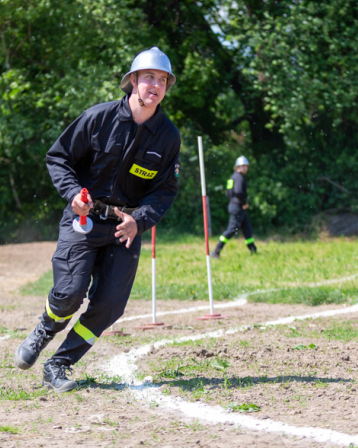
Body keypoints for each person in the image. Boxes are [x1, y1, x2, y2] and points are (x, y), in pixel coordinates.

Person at [14, 47, 181, 392]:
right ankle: (45, 329)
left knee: (109, 307)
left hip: (126, 228)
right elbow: (58, 158)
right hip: (84, 220)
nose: (155, 85)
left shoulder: (168, 136)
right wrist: (73, 193)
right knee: (69, 293)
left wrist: (141, 220)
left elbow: (164, 189)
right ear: (132, 81)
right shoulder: (98, 118)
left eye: (162, 79)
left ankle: (58, 365)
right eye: (148, 76)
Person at [211, 156, 256, 258]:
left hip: (235, 206)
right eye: (242, 166)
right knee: (231, 230)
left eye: (246, 166)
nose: (245, 168)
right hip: (238, 207)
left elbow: (228, 193)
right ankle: (216, 251)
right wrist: (244, 203)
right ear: (237, 167)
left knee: (247, 230)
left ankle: (254, 251)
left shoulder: (232, 177)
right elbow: (239, 192)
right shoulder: (239, 178)